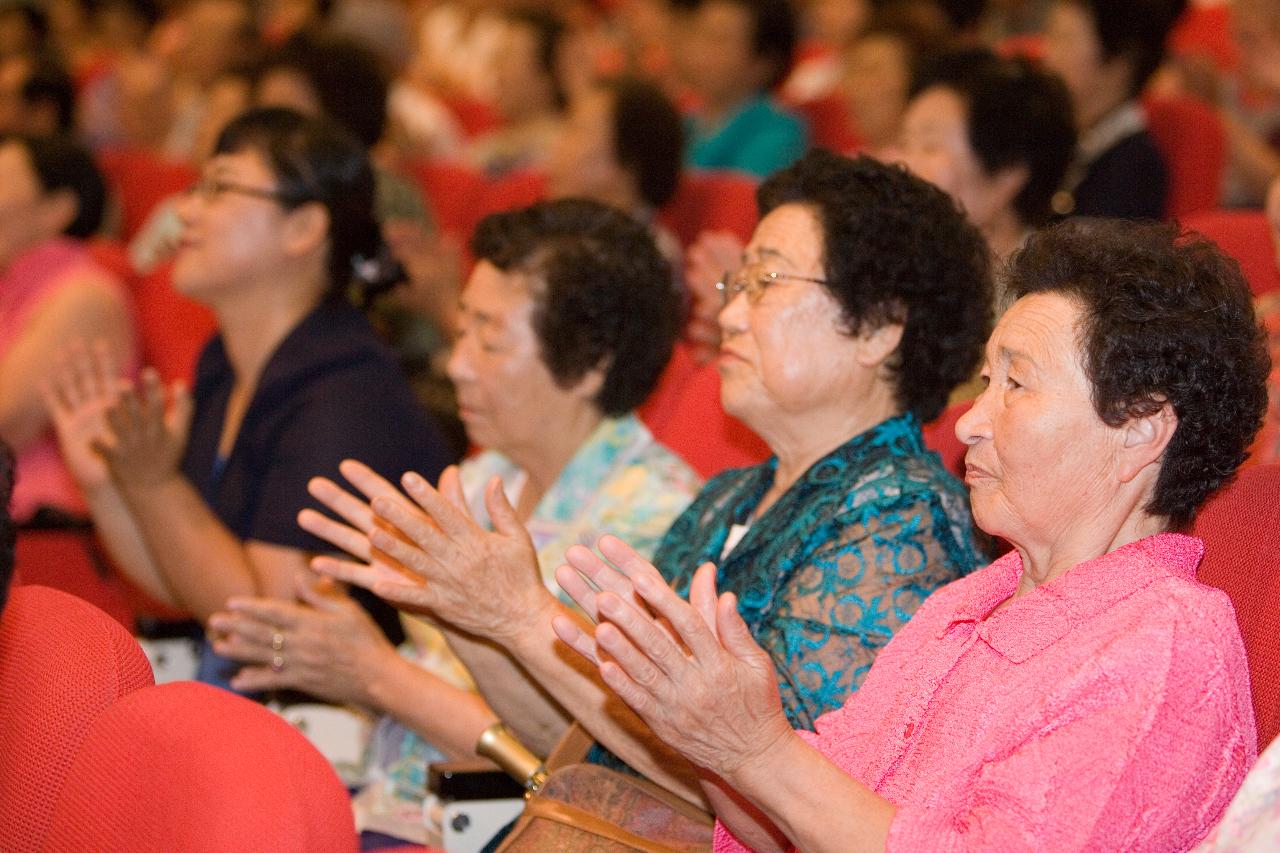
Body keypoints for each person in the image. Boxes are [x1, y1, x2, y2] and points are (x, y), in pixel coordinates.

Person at [300, 150, 991, 805]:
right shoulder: (731, 496)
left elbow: (774, 798)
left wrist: (521, 612)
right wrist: (481, 617)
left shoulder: (900, 521)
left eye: (766, 282)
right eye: (736, 283)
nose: (729, 314)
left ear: (879, 329)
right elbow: (596, 747)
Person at [558, 218, 1265, 851]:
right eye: (985, 380)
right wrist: (705, 726)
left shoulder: (1164, 644)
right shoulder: (968, 604)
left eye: (1016, 386)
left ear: (1141, 428)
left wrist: (755, 748)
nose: (968, 423)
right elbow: (797, 820)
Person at [206, 198, 703, 811]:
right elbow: (433, 681)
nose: (457, 364)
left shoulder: (652, 519)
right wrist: (336, 655)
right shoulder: (482, 476)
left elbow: (584, 752)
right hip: (392, 788)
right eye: (461, 327)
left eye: (488, 341)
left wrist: (375, 674)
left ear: (589, 367)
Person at [44, 107, 453, 687]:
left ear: (304, 227)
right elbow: (182, 586)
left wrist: (154, 487)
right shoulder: (225, 359)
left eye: (219, 188)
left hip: (352, 732)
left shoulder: (344, 388)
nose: (185, 209)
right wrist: (109, 485)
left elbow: (268, 623)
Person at [0, 135, 134, 524]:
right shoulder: (14, 285)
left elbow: (6, 423)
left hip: (44, 527)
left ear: (57, 209)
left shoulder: (83, 296)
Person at [897, 48, 1075, 296]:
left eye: (930, 147)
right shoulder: (905, 272)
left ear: (1006, 177)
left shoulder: (1044, 297)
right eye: (904, 143)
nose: (902, 164)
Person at [1042, 0, 1184, 219]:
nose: (1049, 56)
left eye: (1066, 39)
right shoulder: (1062, 135)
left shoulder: (1135, 167)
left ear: (1120, 62)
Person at [679, 0, 808, 178]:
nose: (698, 50)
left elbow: (743, 199)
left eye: (718, 39)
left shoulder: (778, 133)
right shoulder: (685, 121)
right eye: (697, 33)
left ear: (765, 62)